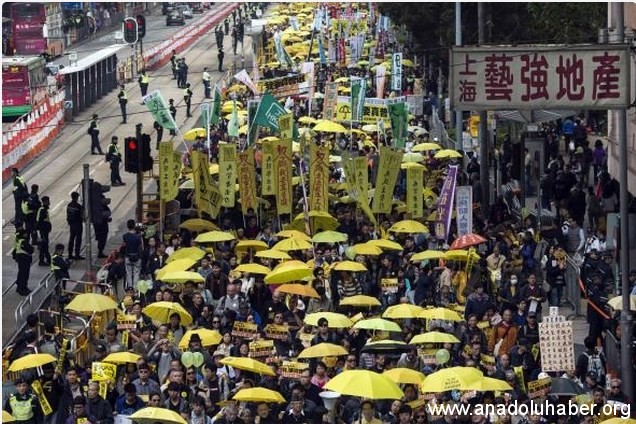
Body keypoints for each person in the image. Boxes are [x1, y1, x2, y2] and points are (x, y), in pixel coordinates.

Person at [123, 219, 143, 287]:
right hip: (137, 257)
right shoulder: (138, 236)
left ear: (127, 226)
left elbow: (124, 246)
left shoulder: (125, 236)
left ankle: (130, 288)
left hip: (128, 256)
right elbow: (140, 247)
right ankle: (135, 289)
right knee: (136, 274)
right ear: (134, 226)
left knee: (128, 273)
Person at [66, 192, 84, 260]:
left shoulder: (69, 205)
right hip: (78, 224)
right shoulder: (78, 206)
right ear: (76, 197)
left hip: (71, 224)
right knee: (78, 240)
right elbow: (82, 215)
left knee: (71, 239)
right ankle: (77, 254)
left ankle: (70, 254)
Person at [36, 195, 52, 266]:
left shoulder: (44, 209)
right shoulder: (42, 210)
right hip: (43, 230)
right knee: (44, 245)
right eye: (48, 201)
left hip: (44, 230)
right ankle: (44, 260)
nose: (49, 202)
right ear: (45, 202)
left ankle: (46, 259)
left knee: (44, 245)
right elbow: (40, 221)